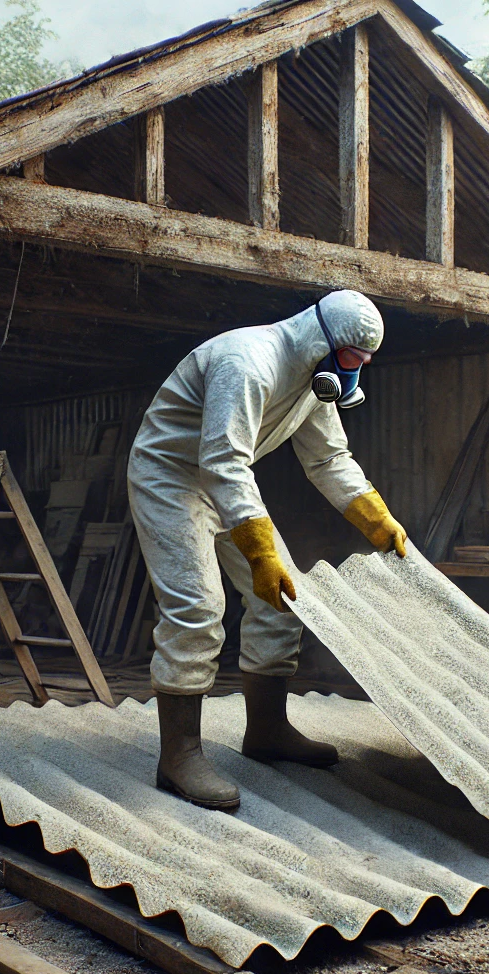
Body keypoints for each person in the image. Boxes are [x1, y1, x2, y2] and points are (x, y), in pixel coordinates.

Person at [127, 289, 407, 811]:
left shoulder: (310, 378)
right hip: (171, 477)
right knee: (198, 610)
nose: (354, 374)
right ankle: (180, 755)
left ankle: (268, 731)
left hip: (223, 481)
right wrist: (259, 553)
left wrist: (377, 518)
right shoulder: (247, 362)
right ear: (324, 341)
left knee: (283, 598)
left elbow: (329, 459)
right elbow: (225, 459)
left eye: (364, 365)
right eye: (352, 361)